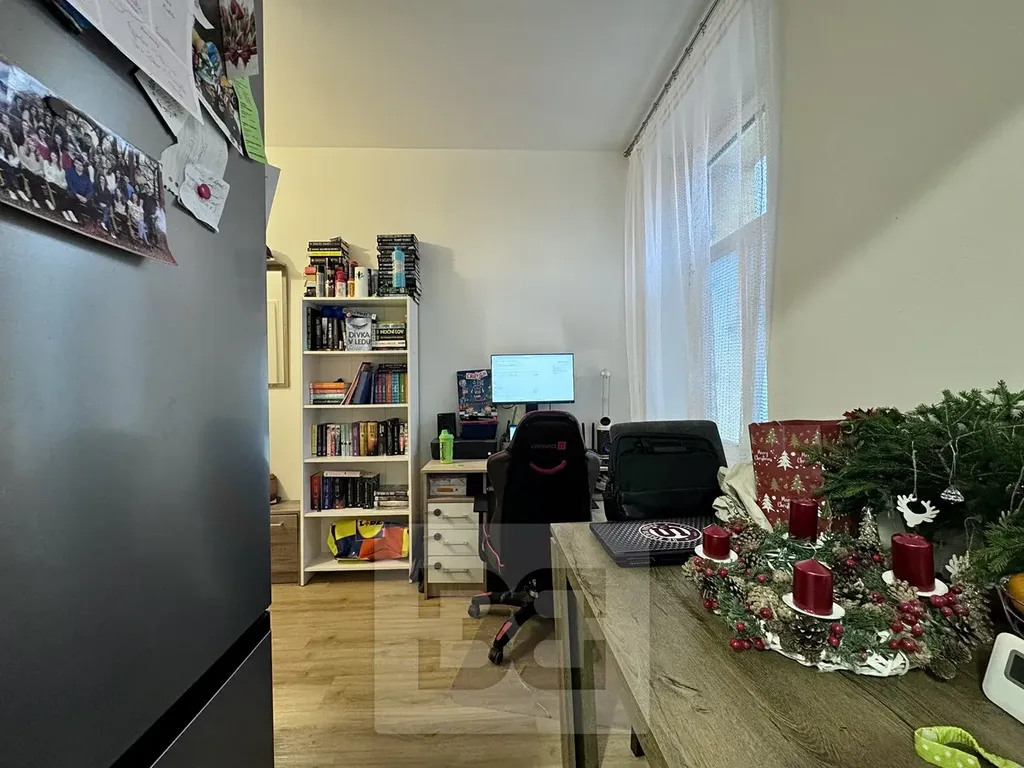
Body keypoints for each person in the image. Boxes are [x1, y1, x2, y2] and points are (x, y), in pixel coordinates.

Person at [64, 156, 93, 224]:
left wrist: (86, 198)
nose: (80, 166)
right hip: (73, 193)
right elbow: (70, 184)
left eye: (81, 165)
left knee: (91, 203)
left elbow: (90, 190)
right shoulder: (70, 172)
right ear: (75, 164)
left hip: (83, 197)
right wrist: (77, 195)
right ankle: (72, 213)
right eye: (78, 164)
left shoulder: (86, 178)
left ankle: (80, 217)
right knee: (72, 196)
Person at [18, 140, 46, 209]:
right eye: (30, 144)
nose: (32, 147)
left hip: (37, 174)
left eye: (34, 145)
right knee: (32, 177)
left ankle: (35, 198)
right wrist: (31, 170)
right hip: (27, 171)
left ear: (36, 147)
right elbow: (22, 163)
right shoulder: (25, 154)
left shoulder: (39, 157)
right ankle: (39, 199)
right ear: (28, 145)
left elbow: (42, 169)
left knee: (36, 179)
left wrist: (36, 172)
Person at [44, 151, 69, 218]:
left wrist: (63, 184)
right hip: (49, 182)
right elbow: (46, 173)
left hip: (59, 186)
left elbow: (64, 181)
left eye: (56, 157)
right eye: (52, 155)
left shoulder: (61, 170)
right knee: (62, 192)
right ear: (50, 156)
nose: (54, 158)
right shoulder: (47, 163)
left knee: (63, 191)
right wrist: (54, 181)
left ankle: (62, 209)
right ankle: (62, 209)